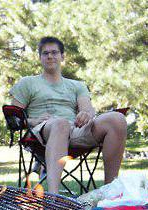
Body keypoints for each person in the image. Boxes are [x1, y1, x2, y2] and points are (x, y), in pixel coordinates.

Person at [10, 36, 127, 194]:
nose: (50, 56)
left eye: (54, 52)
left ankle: (111, 191)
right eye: (45, 53)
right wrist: (33, 120)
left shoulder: (77, 85)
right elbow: (13, 119)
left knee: (117, 119)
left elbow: (87, 108)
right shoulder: (27, 83)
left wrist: (86, 114)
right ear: (39, 57)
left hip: (75, 131)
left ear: (62, 56)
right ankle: (53, 197)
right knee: (60, 123)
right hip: (41, 131)